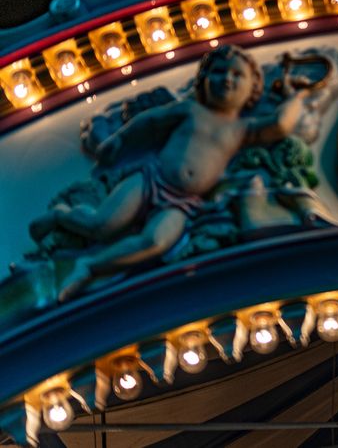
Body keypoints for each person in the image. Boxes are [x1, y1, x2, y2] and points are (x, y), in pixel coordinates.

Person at [30, 45, 308, 301]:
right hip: (151, 179)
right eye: (220, 71)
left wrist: (297, 95)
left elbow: (281, 125)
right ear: (204, 80)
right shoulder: (190, 110)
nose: (227, 79)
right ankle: (62, 216)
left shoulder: (242, 130)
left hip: (185, 203)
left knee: (156, 242)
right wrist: (118, 140)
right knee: (102, 225)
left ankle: (90, 267)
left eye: (238, 75)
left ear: (254, 89)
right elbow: (150, 122)